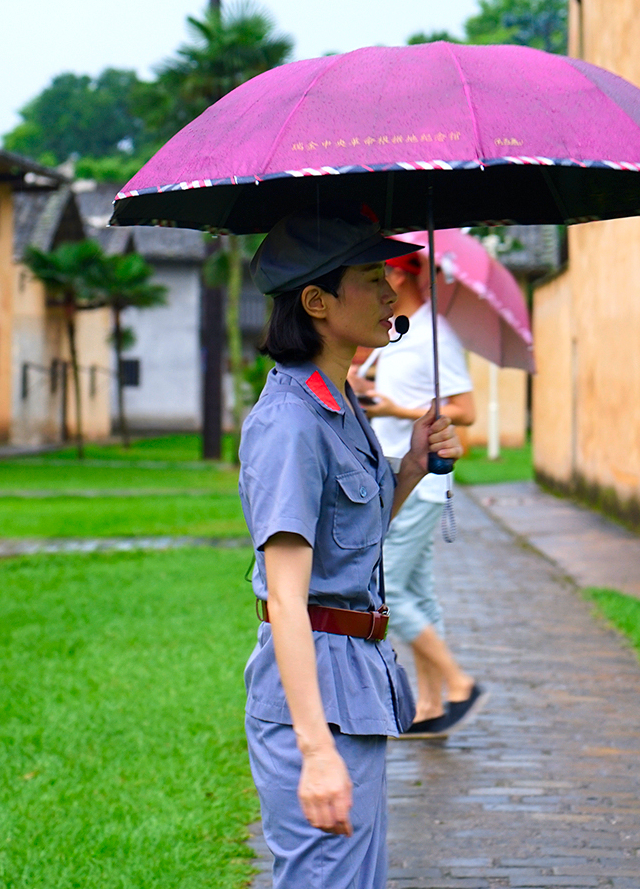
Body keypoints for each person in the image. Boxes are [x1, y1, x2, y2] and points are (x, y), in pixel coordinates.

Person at [240, 206, 464, 888]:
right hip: (315, 683)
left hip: (355, 672)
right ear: (316, 301)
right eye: (372, 279)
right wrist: (314, 751)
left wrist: (411, 467)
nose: (392, 294)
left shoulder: (335, 402)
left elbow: (348, 539)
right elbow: (286, 596)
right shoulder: (290, 422)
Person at [352, 250, 486, 736]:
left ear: (402, 275)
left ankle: (459, 682)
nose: (379, 280)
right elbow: (391, 399)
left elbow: (465, 410)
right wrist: (364, 388)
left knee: (388, 591)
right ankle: (430, 706)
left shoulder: (434, 335)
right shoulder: (400, 332)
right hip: (398, 477)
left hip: (420, 480)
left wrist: (393, 410)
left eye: (381, 270)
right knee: (420, 596)